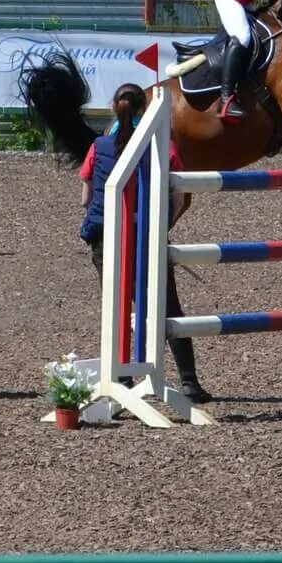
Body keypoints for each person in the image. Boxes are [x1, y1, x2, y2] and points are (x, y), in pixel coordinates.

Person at [83, 83, 209, 402]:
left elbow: (85, 198)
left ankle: (123, 378)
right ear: (145, 110)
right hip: (147, 237)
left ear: (114, 106)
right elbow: (181, 199)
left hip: (104, 236)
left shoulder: (98, 145)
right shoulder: (163, 147)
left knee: (118, 306)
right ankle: (189, 380)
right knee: (168, 308)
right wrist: (161, 227)